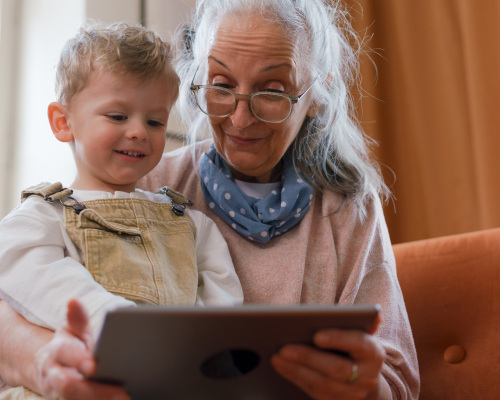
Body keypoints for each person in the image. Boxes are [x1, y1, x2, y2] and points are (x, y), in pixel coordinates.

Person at [0, 1, 420, 399]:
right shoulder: (145, 181)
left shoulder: (346, 209)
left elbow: (396, 379)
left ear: (317, 95)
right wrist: (42, 361)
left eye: (272, 90)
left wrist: (361, 385)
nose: (240, 118)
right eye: (221, 85)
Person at [0, 21, 243, 400]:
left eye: (155, 121)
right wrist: (114, 323)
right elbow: (25, 271)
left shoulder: (192, 224)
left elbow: (222, 317)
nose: (138, 132)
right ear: (63, 123)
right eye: (117, 116)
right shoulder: (42, 216)